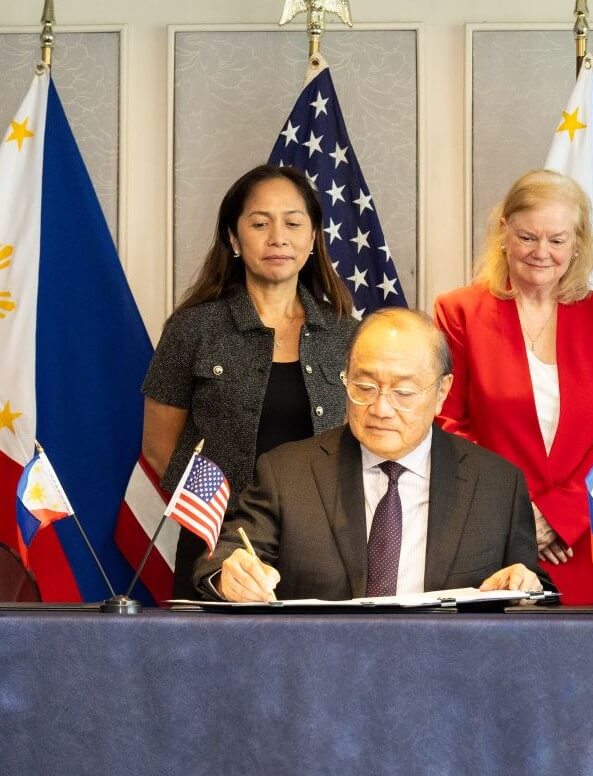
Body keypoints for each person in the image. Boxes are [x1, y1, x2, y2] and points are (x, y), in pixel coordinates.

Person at [192, 308, 547, 601]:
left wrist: (523, 587)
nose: (380, 408)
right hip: (319, 672)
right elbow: (224, 560)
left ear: (442, 391)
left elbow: (532, 586)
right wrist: (230, 576)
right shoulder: (287, 473)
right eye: (364, 387)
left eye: (404, 392)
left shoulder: (497, 485)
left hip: (446, 676)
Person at [142, 164, 357, 598]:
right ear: (234, 239)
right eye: (260, 223)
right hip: (217, 545)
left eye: (294, 223)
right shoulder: (192, 328)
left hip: (326, 548)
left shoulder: (347, 334)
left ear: (312, 239)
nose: (278, 236)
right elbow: (159, 444)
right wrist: (213, 516)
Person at [434, 170, 593, 604]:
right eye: (528, 236)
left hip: (581, 538)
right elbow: (448, 423)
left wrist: (561, 515)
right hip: (489, 532)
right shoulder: (459, 312)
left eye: (557, 240)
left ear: (579, 243)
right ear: (504, 232)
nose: (541, 252)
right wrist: (520, 514)